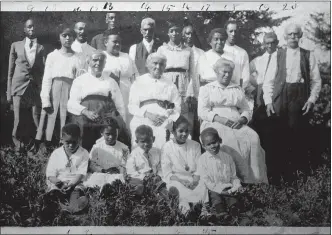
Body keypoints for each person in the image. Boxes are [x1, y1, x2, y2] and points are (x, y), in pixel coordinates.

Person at [263, 24, 321, 177]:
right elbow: (268, 81)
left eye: (296, 34)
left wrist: (311, 100)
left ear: (300, 36)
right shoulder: (278, 55)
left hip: (299, 98)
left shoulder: (308, 55)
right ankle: (278, 175)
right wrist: (268, 101)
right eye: (290, 34)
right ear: (285, 37)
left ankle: (298, 175)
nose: (293, 37)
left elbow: (316, 81)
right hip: (280, 98)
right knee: (277, 135)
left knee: (297, 135)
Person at [198, 58, 268, 184]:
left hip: (236, 122)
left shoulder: (236, 89)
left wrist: (242, 119)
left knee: (253, 137)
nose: (227, 75)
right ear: (216, 72)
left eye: (229, 72)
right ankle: (233, 179)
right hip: (215, 121)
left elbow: (246, 109)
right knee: (228, 140)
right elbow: (202, 111)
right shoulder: (207, 89)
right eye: (223, 72)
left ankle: (254, 179)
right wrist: (221, 119)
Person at [67, 51, 130, 151]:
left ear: (105, 64)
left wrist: (122, 121)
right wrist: (86, 112)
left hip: (107, 112)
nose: (98, 63)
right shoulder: (80, 80)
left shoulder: (111, 81)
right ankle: (85, 157)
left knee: (115, 127)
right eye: (95, 60)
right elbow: (71, 103)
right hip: (87, 111)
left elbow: (120, 104)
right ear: (88, 62)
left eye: (101, 61)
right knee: (84, 126)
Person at [34, 24, 83, 153]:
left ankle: (64, 146)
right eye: (64, 35)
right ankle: (46, 146)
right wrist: (46, 99)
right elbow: (47, 79)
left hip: (70, 92)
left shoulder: (78, 58)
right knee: (50, 117)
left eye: (70, 36)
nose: (67, 38)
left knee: (66, 118)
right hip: (54, 92)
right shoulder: (52, 56)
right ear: (59, 37)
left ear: (74, 38)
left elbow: (80, 80)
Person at [128, 53, 181, 150]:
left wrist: (165, 117)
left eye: (161, 64)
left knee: (163, 147)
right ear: (148, 65)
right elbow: (132, 106)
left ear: (165, 66)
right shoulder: (139, 81)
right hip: (142, 118)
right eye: (155, 63)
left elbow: (177, 106)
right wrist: (148, 115)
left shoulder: (170, 84)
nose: (158, 67)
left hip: (164, 119)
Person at [7, 19, 45, 151]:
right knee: (17, 119)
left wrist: (42, 89)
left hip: (33, 87)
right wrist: (9, 93)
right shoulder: (15, 45)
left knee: (35, 117)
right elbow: (10, 72)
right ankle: (18, 146)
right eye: (29, 27)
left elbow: (42, 71)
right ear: (24, 29)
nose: (32, 29)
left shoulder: (40, 48)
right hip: (18, 87)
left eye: (34, 27)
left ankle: (36, 146)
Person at [161, 116, 208, 213]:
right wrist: (181, 181)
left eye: (187, 131)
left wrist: (195, 180)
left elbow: (199, 167)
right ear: (173, 132)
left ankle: (201, 209)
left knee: (203, 184)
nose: (185, 134)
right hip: (176, 179)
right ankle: (186, 211)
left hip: (193, 178)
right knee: (177, 188)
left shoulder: (195, 145)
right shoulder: (167, 147)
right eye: (181, 131)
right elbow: (167, 172)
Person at [157, 21, 195, 137]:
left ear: (181, 33)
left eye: (177, 31)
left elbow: (193, 72)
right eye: (171, 31)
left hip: (183, 82)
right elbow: (158, 70)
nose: (174, 33)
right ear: (168, 33)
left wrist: (190, 92)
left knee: (184, 114)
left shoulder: (188, 50)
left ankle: (185, 141)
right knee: (167, 113)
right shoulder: (162, 49)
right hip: (167, 81)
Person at [43, 123, 89, 215]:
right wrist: (59, 183)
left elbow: (80, 174)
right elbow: (50, 174)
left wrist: (71, 184)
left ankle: (73, 207)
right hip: (59, 182)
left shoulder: (84, 153)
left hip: (75, 182)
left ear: (79, 139)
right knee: (54, 192)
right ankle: (56, 205)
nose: (71, 145)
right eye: (68, 142)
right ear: (61, 140)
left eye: (74, 142)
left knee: (77, 192)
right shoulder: (56, 153)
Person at [197, 127, 242, 215]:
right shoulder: (202, 160)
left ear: (220, 140)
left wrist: (237, 185)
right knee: (216, 199)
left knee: (233, 202)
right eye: (209, 144)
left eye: (214, 142)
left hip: (227, 188)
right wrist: (220, 190)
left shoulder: (227, 157)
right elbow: (206, 181)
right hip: (212, 189)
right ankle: (221, 213)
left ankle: (234, 212)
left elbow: (233, 177)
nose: (212, 146)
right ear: (203, 146)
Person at [103, 29, 139, 126]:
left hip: (126, 95)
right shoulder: (101, 57)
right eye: (115, 42)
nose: (118, 44)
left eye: (119, 42)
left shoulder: (126, 57)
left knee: (127, 123)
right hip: (108, 96)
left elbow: (136, 77)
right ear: (106, 42)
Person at [126, 125, 171, 199]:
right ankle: (139, 191)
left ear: (153, 139)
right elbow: (131, 171)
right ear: (137, 142)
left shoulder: (157, 152)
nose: (146, 144)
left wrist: (159, 175)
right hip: (141, 178)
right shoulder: (134, 154)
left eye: (148, 141)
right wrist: (143, 177)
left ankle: (166, 195)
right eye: (142, 142)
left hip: (155, 179)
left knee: (163, 184)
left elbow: (161, 166)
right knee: (134, 182)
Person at [83, 117, 129, 190]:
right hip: (101, 172)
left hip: (116, 174)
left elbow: (125, 165)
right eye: (107, 134)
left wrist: (119, 170)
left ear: (117, 131)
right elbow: (92, 164)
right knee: (96, 178)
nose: (111, 137)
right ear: (102, 133)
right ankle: (101, 189)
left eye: (114, 134)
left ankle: (109, 189)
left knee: (117, 180)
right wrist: (102, 170)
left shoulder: (124, 148)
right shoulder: (97, 147)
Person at [223, 20, 250, 89]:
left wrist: (239, 90)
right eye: (231, 31)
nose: (233, 34)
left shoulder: (242, 53)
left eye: (235, 31)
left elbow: (246, 76)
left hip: (238, 91)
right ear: (225, 32)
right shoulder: (220, 51)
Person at [183, 24, 205, 99]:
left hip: (196, 86)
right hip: (183, 85)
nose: (190, 36)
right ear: (183, 35)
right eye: (187, 33)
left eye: (192, 34)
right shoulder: (179, 51)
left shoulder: (201, 53)